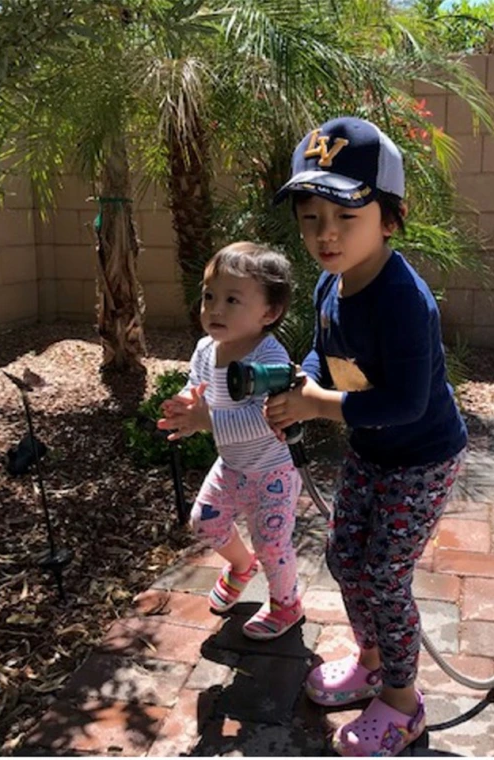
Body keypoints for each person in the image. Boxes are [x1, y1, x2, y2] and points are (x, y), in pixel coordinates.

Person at [265, 116, 467, 757]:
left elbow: (406, 403)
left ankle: (405, 705)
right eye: (310, 217)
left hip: (421, 456)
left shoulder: (405, 302)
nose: (325, 234)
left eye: (345, 217)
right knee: (343, 558)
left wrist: (317, 404)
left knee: (384, 573)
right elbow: (329, 355)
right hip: (370, 450)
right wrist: (305, 380)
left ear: (391, 217)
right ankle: (372, 661)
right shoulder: (332, 284)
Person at [158, 241, 303, 640]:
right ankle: (241, 565)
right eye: (209, 297)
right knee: (205, 521)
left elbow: (264, 416)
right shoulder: (207, 349)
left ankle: (287, 604)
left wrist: (207, 420)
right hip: (232, 466)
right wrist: (187, 409)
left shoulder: (269, 358)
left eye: (232, 299)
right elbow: (197, 389)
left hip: (271, 471)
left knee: (273, 544)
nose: (215, 309)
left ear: (269, 313)